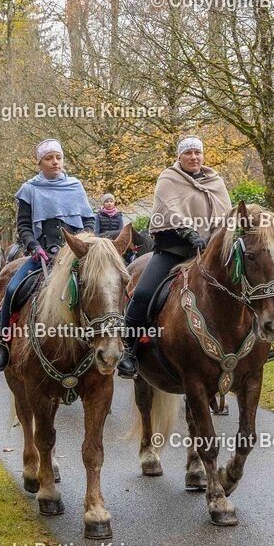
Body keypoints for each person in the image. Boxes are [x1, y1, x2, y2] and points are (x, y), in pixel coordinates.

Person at [117, 135, 232, 377]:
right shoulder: (168, 179)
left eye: (197, 152)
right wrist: (189, 233)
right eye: (188, 153)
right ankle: (128, 349)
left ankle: (259, 343)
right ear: (179, 157)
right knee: (143, 294)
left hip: (209, 253)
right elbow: (168, 211)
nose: (193, 157)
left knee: (243, 284)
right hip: (174, 251)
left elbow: (227, 215)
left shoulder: (215, 181)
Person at [0, 138, 95, 371]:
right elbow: (24, 225)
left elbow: (88, 221)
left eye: (58, 157)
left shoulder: (76, 186)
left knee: (105, 287)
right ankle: (3, 346)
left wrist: (85, 243)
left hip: (75, 254)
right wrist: (34, 247)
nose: (55, 162)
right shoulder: (29, 189)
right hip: (42, 255)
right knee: (13, 289)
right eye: (49, 158)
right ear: (40, 163)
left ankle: (113, 343)